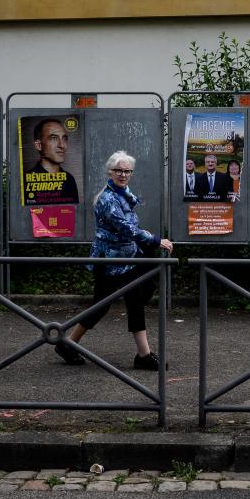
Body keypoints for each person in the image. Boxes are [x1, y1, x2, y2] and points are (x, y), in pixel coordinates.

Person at [56, 151, 174, 370]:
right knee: (100, 305)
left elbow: (131, 225)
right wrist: (157, 240)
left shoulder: (122, 193)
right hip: (109, 261)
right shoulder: (108, 199)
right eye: (119, 170)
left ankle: (143, 354)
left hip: (127, 258)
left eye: (127, 171)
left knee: (135, 301)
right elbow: (127, 228)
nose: (123, 174)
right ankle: (67, 343)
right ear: (110, 171)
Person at [26, 117, 79, 204]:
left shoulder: (69, 179)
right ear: (39, 145)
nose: (62, 145)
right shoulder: (26, 179)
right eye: (54, 138)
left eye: (64, 138)